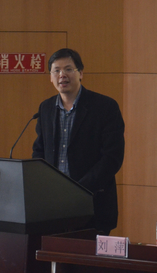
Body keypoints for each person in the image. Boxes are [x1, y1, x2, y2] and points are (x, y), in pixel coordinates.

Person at [32, 48, 125, 235]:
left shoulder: (105, 107)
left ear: (81, 73)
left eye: (68, 69)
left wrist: (78, 190)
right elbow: (39, 151)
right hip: (53, 206)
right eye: (56, 70)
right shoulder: (46, 108)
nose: (62, 75)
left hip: (93, 204)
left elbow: (112, 158)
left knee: (87, 254)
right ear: (50, 77)